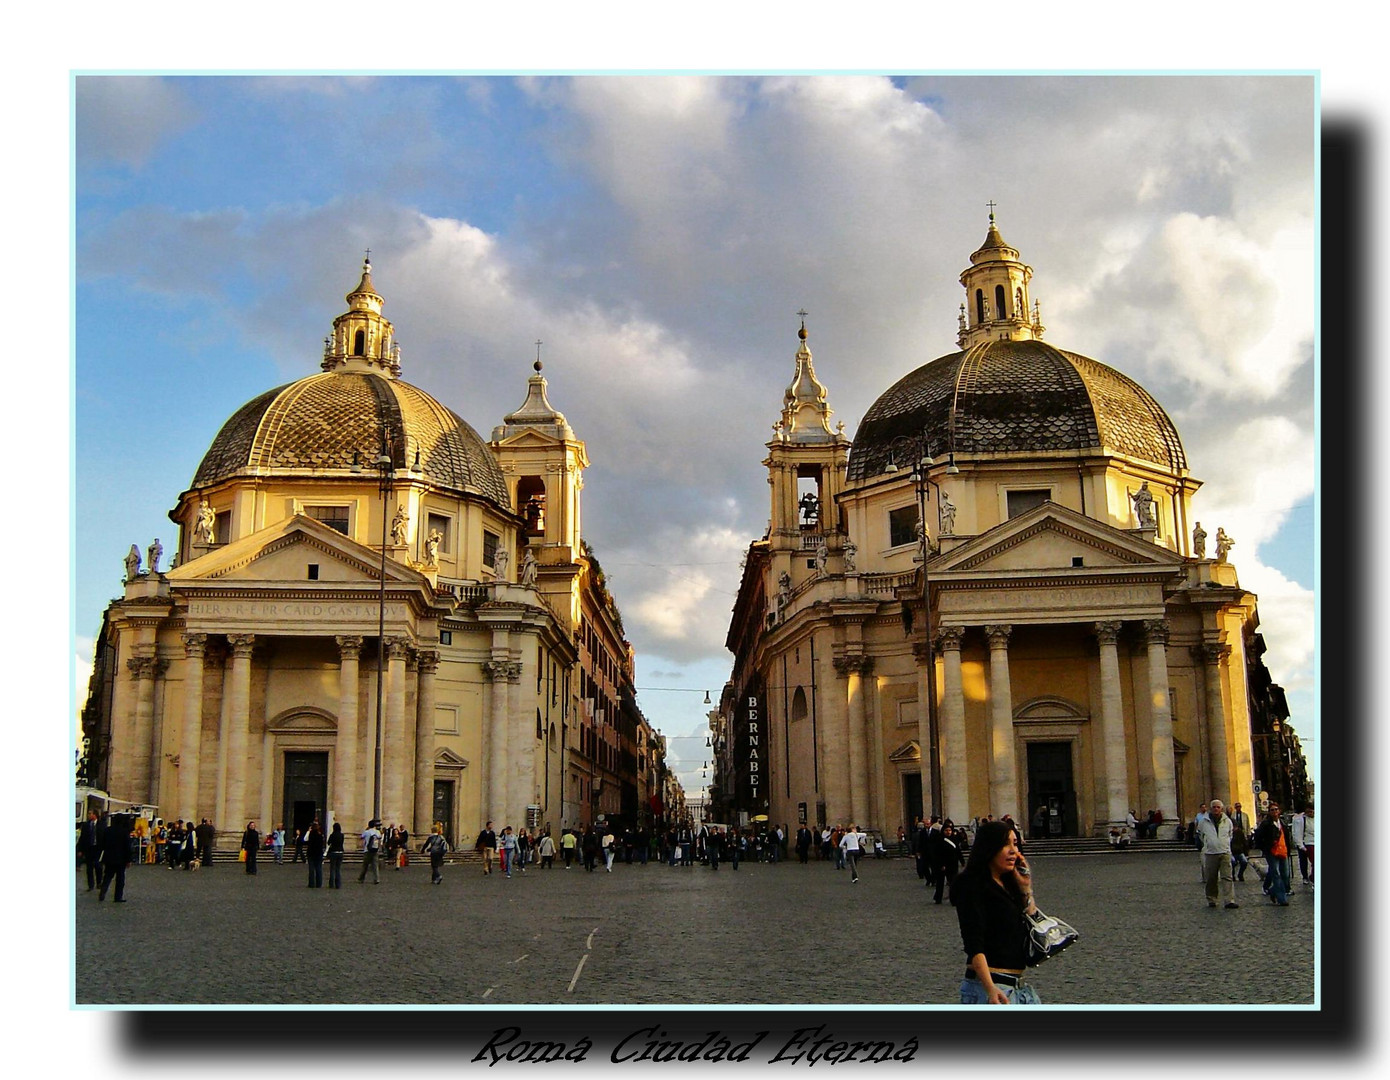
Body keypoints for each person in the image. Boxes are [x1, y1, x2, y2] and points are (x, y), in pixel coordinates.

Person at [951, 820, 1042, 1004]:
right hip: (990, 987)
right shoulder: (971, 885)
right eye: (1005, 844)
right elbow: (973, 942)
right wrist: (989, 987)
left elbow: (1035, 926)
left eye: (1015, 844)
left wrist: (1026, 888)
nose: (1012, 851)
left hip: (1018, 988)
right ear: (989, 848)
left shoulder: (1009, 886)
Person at [1196, 799, 1238, 909]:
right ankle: (1212, 899)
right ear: (1211, 808)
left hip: (1224, 852)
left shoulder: (1227, 821)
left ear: (1221, 809)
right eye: (1214, 807)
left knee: (1227, 877)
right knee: (1211, 878)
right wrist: (1208, 844)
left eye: (1218, 807)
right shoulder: (1203, 822)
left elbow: (1230, 834)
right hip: (1211, 853)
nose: (1216, 809)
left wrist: (1225, 844)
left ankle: (1229, 900)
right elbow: (1200, 835)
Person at [1253, 803, 1291, 905]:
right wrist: (1265, 848)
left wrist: (1289, 849)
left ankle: (1273, 891)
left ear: (1279, 811)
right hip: (1272, 852)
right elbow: (1258, 837)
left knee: (1285, 875)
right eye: (1272, 810)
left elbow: (1287, 837)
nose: (1274, 812)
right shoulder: (1265, 824)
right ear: (1269, 812)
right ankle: (1282, 899)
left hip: (1283, 850)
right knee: (1276, 874)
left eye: (1276, 809)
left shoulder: (1282, 823)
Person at [97, 814, 134, 902]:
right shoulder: (124, 831)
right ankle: (118, 897)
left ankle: (103, 892)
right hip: (121, 859)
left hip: (109, 857)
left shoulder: (108, 830)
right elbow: (127, 846)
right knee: (120, 879)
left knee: (107, 876)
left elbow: (102, 843)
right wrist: (129, 859)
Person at [929, 820, 967, 904]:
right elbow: (937, 854)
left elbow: (958, 851)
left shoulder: (954, 839)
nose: (948, 832)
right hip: (942, 864)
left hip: (953, 864)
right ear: (943, 831)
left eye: (949, 830)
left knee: (953, 882)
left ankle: (954, 898)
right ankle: (938, 898)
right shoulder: (939, 840)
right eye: (946, 830)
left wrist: (962, 861)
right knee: (940, 882)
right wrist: (941, 864)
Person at [1291, 803, 1315, 886]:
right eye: (1309, 812)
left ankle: (1312, 877)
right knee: (1303, 860)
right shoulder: (1300, 819)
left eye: (1312, 812)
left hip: (1314, 842)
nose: (1311, 814)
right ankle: (1305, 877)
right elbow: (1296, 832)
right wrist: (1300, 845)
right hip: (1305, 842)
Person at [78, 810, 102, 891]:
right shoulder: (86, 825)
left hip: (97, 848)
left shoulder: (101, 824)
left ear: (95, 815)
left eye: (90, 813)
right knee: (89, 868)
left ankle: (99, 883)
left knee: (98, 866)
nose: (88, 815)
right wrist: (80, 849)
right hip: (89, 848)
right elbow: (82, 838)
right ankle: (90, 885)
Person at [1229, 801, 1253, 881]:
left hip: (1241, 844)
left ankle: (1240, 874)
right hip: (1232, 851)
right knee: (1233, 862)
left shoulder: (1245, 815)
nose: (1238, 808)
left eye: (1239, 806)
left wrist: (1248, 834)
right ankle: (1232, 875)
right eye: (1237, 806)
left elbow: (1248, 825)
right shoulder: (1232, 816)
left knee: (1244, 862)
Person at [358, 819, 383, 884]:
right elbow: (380, 838)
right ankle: (376, 879)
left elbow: (361, 837)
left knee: (365, 866)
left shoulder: (366, 832)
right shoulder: (377, 832)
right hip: (375, 850)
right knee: (375, 865)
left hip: (367, 850)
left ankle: (361, 878)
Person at [305, 821, 325, 888]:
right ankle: (319, 883)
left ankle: (311, 883)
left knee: (311, 869)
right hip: (319, 853)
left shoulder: (311, 834)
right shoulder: (320, 835)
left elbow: (306, 841)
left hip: (311, 853)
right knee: (319, 868)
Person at [326, 823, 345, 888]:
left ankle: (331, 884)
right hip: (340, 852)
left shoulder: (332, 835)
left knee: (332, 868)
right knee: (338, 869)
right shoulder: (342, 835)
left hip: (333, 852)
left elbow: (328, 843)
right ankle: (338, 884)